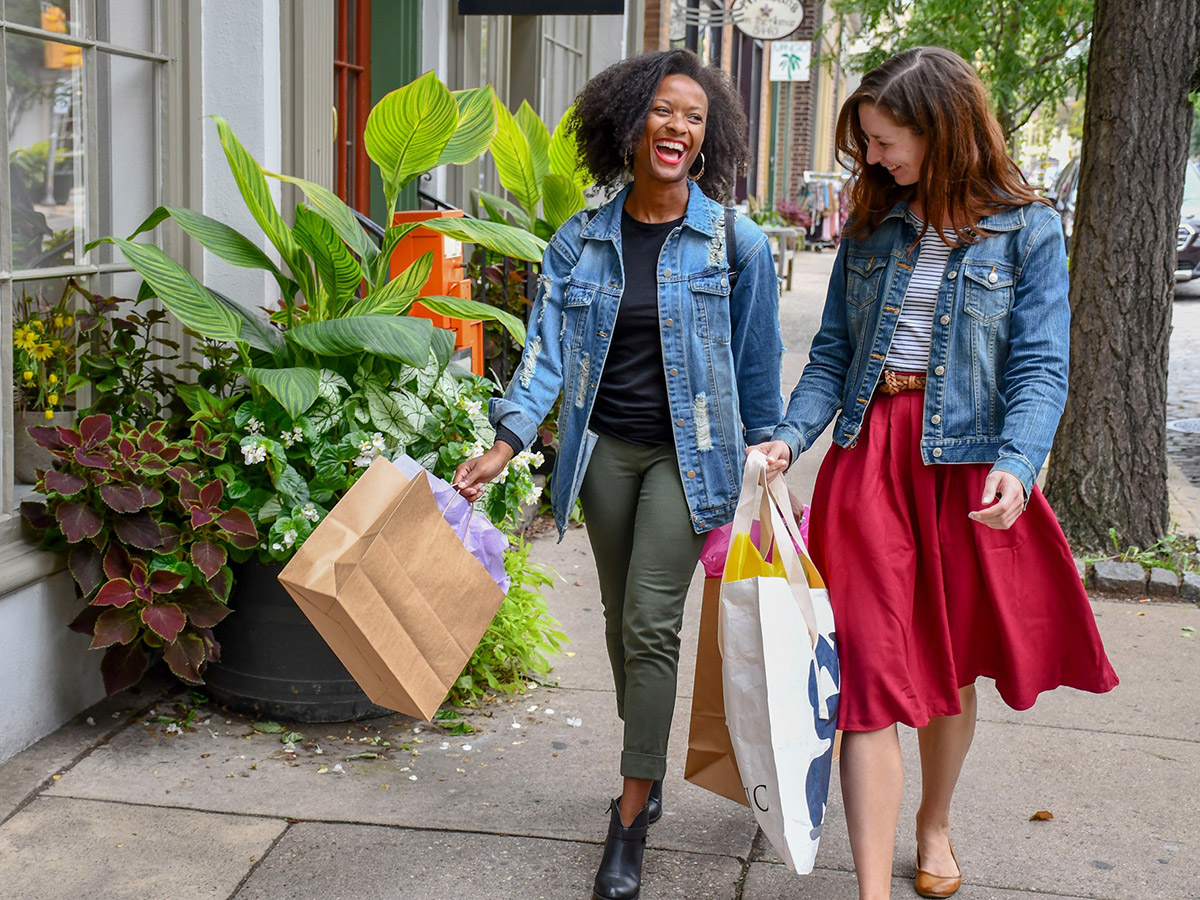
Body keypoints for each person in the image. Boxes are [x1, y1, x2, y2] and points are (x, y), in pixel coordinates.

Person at [750, 46, 1118, 900]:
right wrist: (788, 439)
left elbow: (1040, 367)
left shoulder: (1026, 227)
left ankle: (935, 822)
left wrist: (1020, 465)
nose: (873, 159)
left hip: (966, 465)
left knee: (950, 668)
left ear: (941, 128)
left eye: (885, 140)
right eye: (868, 143)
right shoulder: (874, 222)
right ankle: (872, 890)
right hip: (871, 461)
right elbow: (834, 351)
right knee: (871, 675)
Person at [453, 50, 783, 900]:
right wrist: (505, 444)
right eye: (664, 112)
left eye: (695, 117)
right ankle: (649, 763)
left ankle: (630, 813)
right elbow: (546, 358)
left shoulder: (732, 241)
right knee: (618, 625)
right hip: (602, 454)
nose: (677, 127)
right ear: (630, 121)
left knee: (648, 621)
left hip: (691, 453)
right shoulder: (582, 240)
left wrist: (773, 446)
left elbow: (756, 363)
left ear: (710, 140)